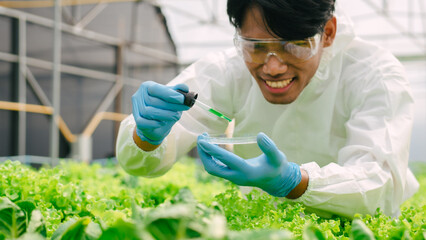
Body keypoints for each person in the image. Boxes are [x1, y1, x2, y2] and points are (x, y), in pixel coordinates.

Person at [116, 0, 419, 218]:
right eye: (255, 46)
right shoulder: (227, 69)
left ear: (327, 33)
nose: (272, 67)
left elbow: (380, 184)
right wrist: (147, 137)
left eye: (293, 45)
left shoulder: (374, 73)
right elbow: (140, 165)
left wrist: (294, 181)